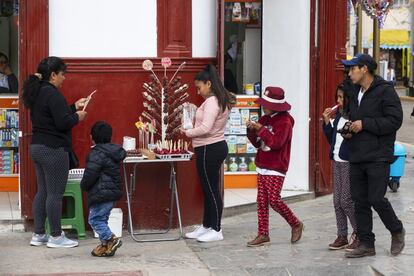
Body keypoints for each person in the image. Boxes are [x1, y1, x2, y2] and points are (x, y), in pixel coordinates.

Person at [341, 53, 405, 258]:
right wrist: (350, 129)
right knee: (359, 201)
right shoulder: (354, 91)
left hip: (378, 155)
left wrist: (365, 124)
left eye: (352, 69)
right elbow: (354, 118)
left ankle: (396, 230)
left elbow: (395, 121)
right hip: (357, 153)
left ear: (364, 69)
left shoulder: (385, 91)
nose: (349, 73)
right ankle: (367, 244)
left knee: (377, 199)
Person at [23, 56, 88, 248]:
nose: (64, 78)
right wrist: (78, 116)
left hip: (37, 147)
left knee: (42, 191)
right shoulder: (53, 94)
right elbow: (62, 122)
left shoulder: (38, 92)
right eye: (62, 74)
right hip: (53, 149)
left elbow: (53, 116)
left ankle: (39, 234)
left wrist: (73, 107)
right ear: (53, 75)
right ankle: (57, 237)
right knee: (55, 194)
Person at [182, 64, 235, 242]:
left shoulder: (213, 102)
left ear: (209, 84)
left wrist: (188, 132)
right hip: (211, 147)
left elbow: (205, 127)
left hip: (209, 148)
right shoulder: (217, 100)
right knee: (208, 189)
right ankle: (206, 226)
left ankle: (216, 229)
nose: (198, 91)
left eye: (199, 87)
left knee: (211, 190)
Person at [245, 87, 304, 247]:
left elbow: (276, 143)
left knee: (274, 200)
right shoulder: (264, 119)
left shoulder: (285, 122)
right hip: (262, 163)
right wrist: (251, 131)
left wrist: (261, 129)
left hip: (277, 165)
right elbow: (258, 143)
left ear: (276, 106)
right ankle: (263, 234)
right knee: (261, 201)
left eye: (266, 104)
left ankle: (295, 223)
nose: (263, 107)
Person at [80, 121, 126, 257]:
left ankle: (111, 239)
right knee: (102, 219)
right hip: (111, 193)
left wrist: (84, 185)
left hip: (100, 193)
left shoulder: (95, 154)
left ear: (92, 137)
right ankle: (105, 246)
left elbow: (90, 174)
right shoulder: (113, 152)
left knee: (95, 220)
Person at [322, 82, 359, 251]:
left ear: (349, 99)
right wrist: (327, 122)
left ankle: (359, 233)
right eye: (337, 97)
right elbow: (332, 139)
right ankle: (342, 235)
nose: (338, 100)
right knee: (337, 201)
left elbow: (355, 141)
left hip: (349, 162)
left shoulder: (354, 117)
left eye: (341, 97)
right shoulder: (338, 116)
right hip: (337, 160)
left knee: (346, 200)